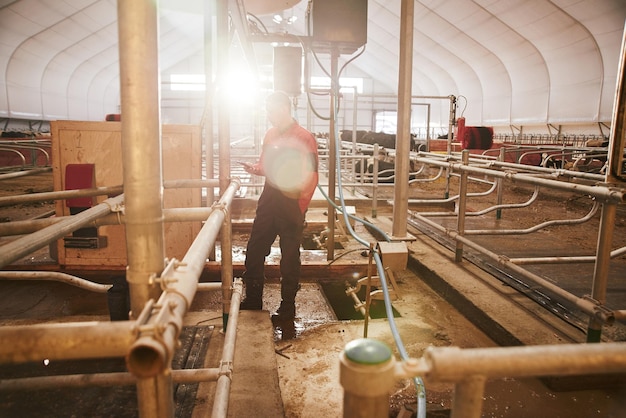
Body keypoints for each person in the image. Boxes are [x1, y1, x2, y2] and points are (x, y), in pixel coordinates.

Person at [239, 91, 319, 326]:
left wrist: (299, 206)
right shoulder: (270, 134)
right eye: (267, 109)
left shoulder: (305, 138)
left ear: (285, 108)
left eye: (272, 109)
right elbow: (266, 164)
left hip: (291, 201)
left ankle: (287, 307)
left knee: (290, 256)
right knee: (254, 250)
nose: (269, 114)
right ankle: (253, 299)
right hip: (269, 197)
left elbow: (312, 175)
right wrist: (255, 168)